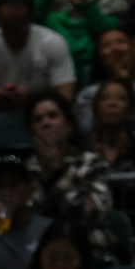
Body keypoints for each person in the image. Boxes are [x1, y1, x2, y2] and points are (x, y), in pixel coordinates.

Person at [25, 90, 113, 259]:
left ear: (68, 127)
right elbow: (28, 218)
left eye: (52, 116)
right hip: (37, 256)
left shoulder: (93, 164)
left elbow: (93, 214)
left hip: (91, 253)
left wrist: (58, 171)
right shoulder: (26, 172)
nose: (46, 123)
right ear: (31, 133)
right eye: (38, 119)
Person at [74, 25, 135, 146]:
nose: (115, 49)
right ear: (99, 57)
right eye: (106, 45)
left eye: (121, 42)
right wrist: (118, 84)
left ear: (134, 48)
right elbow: (86, 128)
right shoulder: (89, 94)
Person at [34, 0, 116, 76]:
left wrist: (86, 5)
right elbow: (34, 17)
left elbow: (101, 29)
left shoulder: (110, 22)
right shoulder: (53, 20)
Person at [80, 75, 135, 173]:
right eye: (105, 98)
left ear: (132, 111)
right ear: (95, 111)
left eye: (121, 98)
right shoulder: (85, 155)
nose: (112, 103)